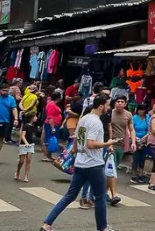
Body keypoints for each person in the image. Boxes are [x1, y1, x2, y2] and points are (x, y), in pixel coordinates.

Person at [40, 94, 119, 231]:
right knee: (100, 197)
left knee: (69, 195)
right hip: (94, 164)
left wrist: (74, 152)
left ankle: (47, 224)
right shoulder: (96, 122)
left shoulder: (84, 118)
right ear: (101, 106)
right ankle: (103, 228)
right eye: (107, 105)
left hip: (80, 163)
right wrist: (108, 143)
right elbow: (90, 144)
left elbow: (75, 140)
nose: (109, 108)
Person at [109, 97, 135, 176]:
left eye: (122, 102)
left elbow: (131, 130)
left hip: (121, 144)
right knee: (111, 166)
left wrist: (133, 142)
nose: (120, 103)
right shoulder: (110, 113)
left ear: (125, 104)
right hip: (110, 144)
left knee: (116, 165)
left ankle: (110, 181)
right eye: (118, 101)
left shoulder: (128, 114)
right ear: (115, 103)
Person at [131, 103, 150, 183]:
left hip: (144, 140)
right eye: (140, 110)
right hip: (135, 140)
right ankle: (134, 174)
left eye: (143, 110)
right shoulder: (134, 118)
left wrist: (145, 138)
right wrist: (136, 138)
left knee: (142, 158)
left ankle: (141, 174)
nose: (141, 111)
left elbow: (149, 129)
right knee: (136, 158)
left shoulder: (147, 117)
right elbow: (131, 129)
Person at [16, 112, 38, 182]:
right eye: (35, 117)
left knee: (28, 160)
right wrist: (26, 143)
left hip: (31, 145)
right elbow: (22, 135)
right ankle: (18, 172)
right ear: (31, 118)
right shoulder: (25, 126)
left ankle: (26, 176)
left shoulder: (33, 126)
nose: (36, 118)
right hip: (23, 145)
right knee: (21, 161)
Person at [42, 92, 64, 162]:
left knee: (51, 140)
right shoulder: (51, 105)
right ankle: (45, 156)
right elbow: (50, 117)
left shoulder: (53, 104)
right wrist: (52, 127)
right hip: (51, 124)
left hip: (55, 124)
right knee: (48, 140)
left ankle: (49, 155)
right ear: (58, 98)